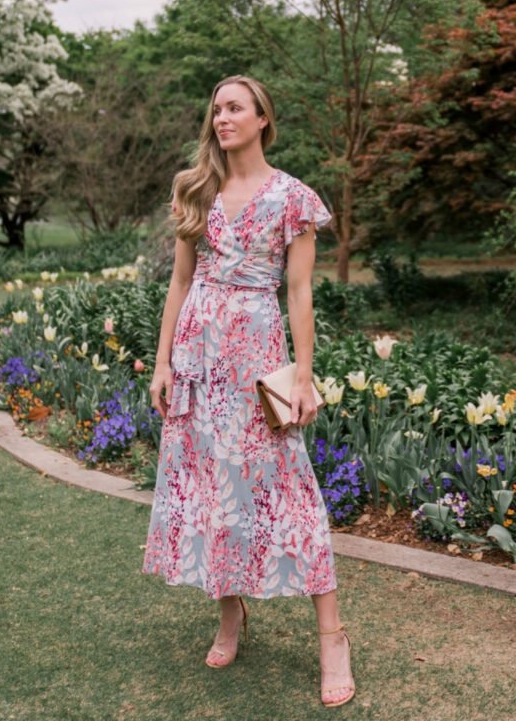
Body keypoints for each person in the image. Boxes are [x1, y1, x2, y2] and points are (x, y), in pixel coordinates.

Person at [142, 75, 355, 708]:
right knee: (212, 488)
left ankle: (332, 637)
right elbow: (180, 284)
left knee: (288, 487)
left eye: (235, 108)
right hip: (196, 360)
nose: (222, 117)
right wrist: (162, 363)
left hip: (258, 359)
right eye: (216, 109)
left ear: (263, 118)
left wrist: (305, 374)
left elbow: (299, 292)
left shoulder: (293, 198)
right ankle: (230, 615)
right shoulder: (195, 188)